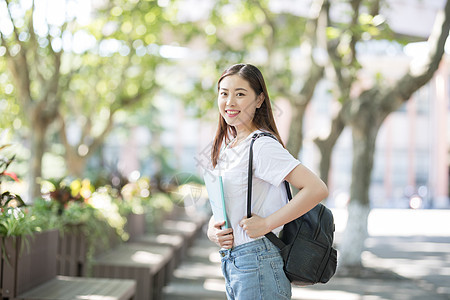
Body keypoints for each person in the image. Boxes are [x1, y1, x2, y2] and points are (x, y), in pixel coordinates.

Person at [204, 63, 328, 300]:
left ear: (259, 100)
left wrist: (268, 223)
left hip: (258, 260)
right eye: (224, 93)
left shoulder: (261, 145)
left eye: (240, 94)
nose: (230, 102)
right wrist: (213, 228)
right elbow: (228, 201)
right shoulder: (231, 147)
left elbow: (316, 188)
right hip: (237, 262)